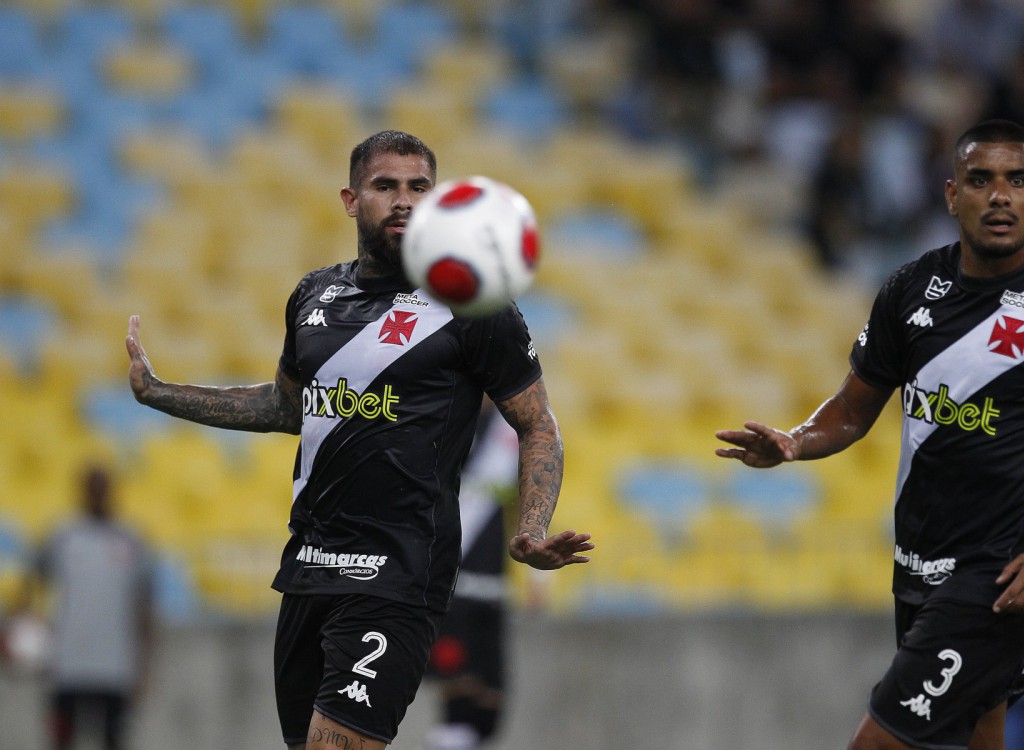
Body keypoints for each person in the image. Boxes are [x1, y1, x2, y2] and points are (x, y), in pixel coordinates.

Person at [124, 130, 593, 750]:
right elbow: (284, 407)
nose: (404, 201)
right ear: (351, 200)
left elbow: (538, 424)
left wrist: (531, 527)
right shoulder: (313, 295)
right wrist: (160, 393)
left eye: (419, 187)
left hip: (399, 576)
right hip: (309, 570)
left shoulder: (473, 306)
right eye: (385, 186)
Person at [716, 119, 1024, 750]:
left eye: (1018, 181)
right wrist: (797, 441)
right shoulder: (908, 291)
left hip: (1001, 579)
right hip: (915, 566)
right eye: (980, 180)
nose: (1000, 196)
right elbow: (851, 410)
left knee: (878, 743)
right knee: (977, 735)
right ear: (952, 195)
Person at [18, 464, 155, 750]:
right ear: (82, 490)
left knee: (113, 740)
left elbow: (144, 605)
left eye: (103, 486)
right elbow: (32, 578)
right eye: (93, 486)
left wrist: (144, 664)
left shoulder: (130, 538)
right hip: (68, 663)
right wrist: (24, 624)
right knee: (62, 740)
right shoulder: (64, 534)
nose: (98, 493)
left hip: (115, 666)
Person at [424, 400, 521, 750]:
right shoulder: (443, 419)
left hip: (492, 582)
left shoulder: (510, 431)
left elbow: (523, 499)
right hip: (452, 578)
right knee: (458, 686)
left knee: (489, 700)